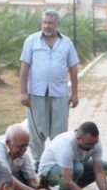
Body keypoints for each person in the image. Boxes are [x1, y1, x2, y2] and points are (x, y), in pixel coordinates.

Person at [19, 10, 79, 165]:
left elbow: (73, 69)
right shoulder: (31, 40)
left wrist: (75, 93)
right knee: (36, 130)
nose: (46, 26)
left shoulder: (67, 43)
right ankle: (39, 162)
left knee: (59, 131)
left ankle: (56, 161)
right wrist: (23, 92)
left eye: (50, 23)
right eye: (44, 22)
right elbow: (24, 67)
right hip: (36, 93)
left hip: (60, 93)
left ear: (58, 24)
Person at [37, 121, 107, 190]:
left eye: (95, 143)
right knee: (78, 168)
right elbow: (67, 181)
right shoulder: (66, 146)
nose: (93, 147)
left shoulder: (95, 143)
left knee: (106, 167)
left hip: (71, 169)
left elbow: (99, 171)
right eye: (89, 144)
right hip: (49, 174)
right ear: (78, 139)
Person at [0, 123, 50, 190]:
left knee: (23, 179)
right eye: (21, 146)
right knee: (9, 182)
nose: (24, 149)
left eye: (26, 146)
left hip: (0, 186)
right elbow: (6, 177)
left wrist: (42, 188)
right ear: (8, 142)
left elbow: (31, 179)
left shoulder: (23, 154)